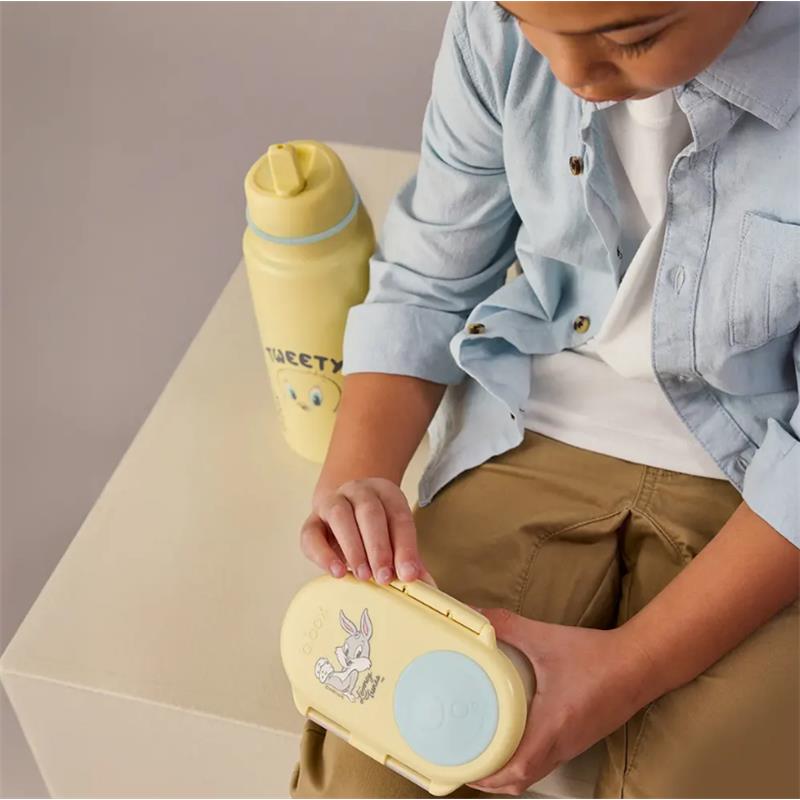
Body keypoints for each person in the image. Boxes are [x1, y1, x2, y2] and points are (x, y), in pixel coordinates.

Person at [290, 2, 800, 797]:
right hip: (526, 431)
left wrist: (629, 667)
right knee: (373, 769)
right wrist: (357, 477)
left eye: (631, 36)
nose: (569, 74)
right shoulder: (492, 32)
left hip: (763, 491)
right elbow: (427, 280)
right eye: (521, 17)